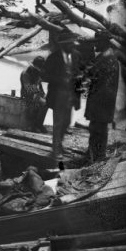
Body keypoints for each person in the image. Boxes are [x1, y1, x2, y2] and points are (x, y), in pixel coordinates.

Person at [44, 30, 82, 160]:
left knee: (67, 121)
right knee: (58, 122)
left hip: (71, 93)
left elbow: (78, 73)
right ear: (63, 44)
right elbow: (44, 75)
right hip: (58, 93)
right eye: (70, 44)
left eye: (73, 43)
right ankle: (56, 149)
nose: (73, 46)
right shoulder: (53, 57)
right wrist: (59, 79)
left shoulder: (76, 55)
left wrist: (79, 81)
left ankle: (60, 144)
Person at [83, 31, 120, 162]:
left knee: (98, 129)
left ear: (104, 42)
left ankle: (98, 157)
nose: (94, 44)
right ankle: (94, 154)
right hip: (101, 102)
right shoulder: (105, 57)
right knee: (96, 129)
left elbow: (92, 76)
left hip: (101, 103)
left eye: (97, 42)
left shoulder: (108, 58)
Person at [20, 56, 48, 133]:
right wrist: (40, 98)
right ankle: (34, 125)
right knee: (44, 103)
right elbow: (29, 89)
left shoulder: (37, 72)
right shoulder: (26, 73)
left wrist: (44, 95)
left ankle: (39, 124)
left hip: (35, 93)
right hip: (27, 94)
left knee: (48, 101)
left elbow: (39, 86)